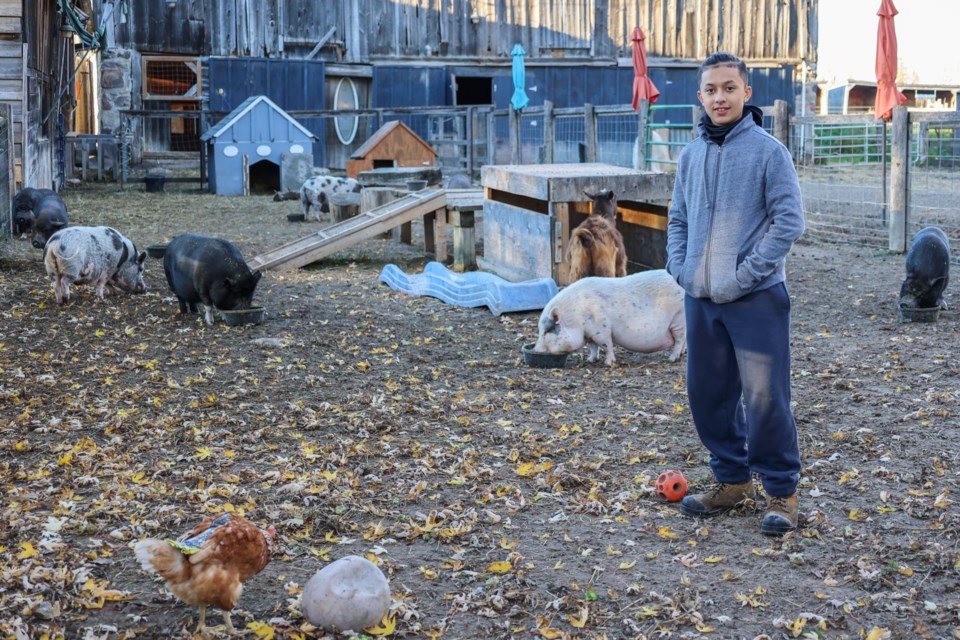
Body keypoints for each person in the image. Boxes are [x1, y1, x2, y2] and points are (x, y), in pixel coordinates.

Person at [665, 52, 805, 536]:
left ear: (747, 93)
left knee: (765, 397)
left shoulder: (769, 152)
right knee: (708, 395)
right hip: (700, 298)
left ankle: (782, 493)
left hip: (756, 298)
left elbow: (789, 220)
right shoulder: (691, 155)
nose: (720, 97)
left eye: (729, 88)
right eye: (711, 89)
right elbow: (678, 218)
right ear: (700, 97)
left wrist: (746, 274)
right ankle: (732, 481)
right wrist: (679, 268)